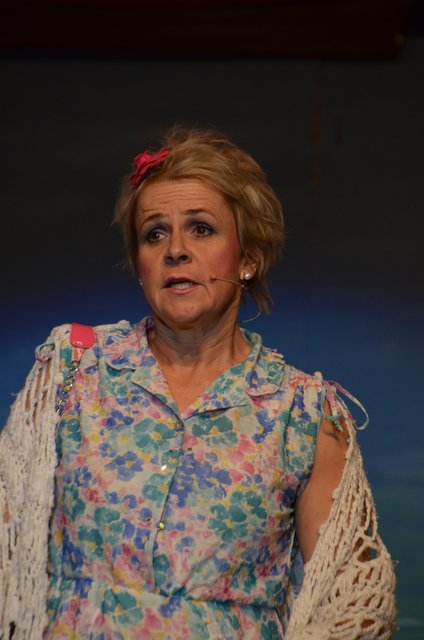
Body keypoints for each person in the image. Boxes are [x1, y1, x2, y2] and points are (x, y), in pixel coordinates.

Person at [0, 127, 396, 639]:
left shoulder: (303, 414)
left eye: (201, 229)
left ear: (248, 259)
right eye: (154, 234)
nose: (175, 250)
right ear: (140, 265)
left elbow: (355, 601)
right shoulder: (72, 368)